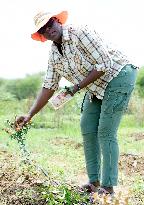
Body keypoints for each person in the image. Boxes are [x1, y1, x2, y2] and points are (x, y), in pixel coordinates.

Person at [16, 10, 138, 195]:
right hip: (96, 86)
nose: (49, 30)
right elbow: (49, 86)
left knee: (106, 132)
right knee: (88, 127)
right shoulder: (55, 55)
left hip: (119, 75)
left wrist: (77, 87)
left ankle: (108, 187)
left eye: (50, 24)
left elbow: (104, 63)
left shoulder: (79, 33)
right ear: (41, 35)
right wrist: (30, 114)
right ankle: (94, 182)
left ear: (57, 21)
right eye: (43, 29)